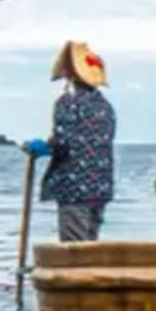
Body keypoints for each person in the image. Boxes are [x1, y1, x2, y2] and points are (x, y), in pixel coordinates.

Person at [24, 41, 116, 242]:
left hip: (75, 188)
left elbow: (63, 143)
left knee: (74, 252)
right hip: (100, 188)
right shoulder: (105, 106)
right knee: (90, 247)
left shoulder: (67, 103)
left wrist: (44, 147)